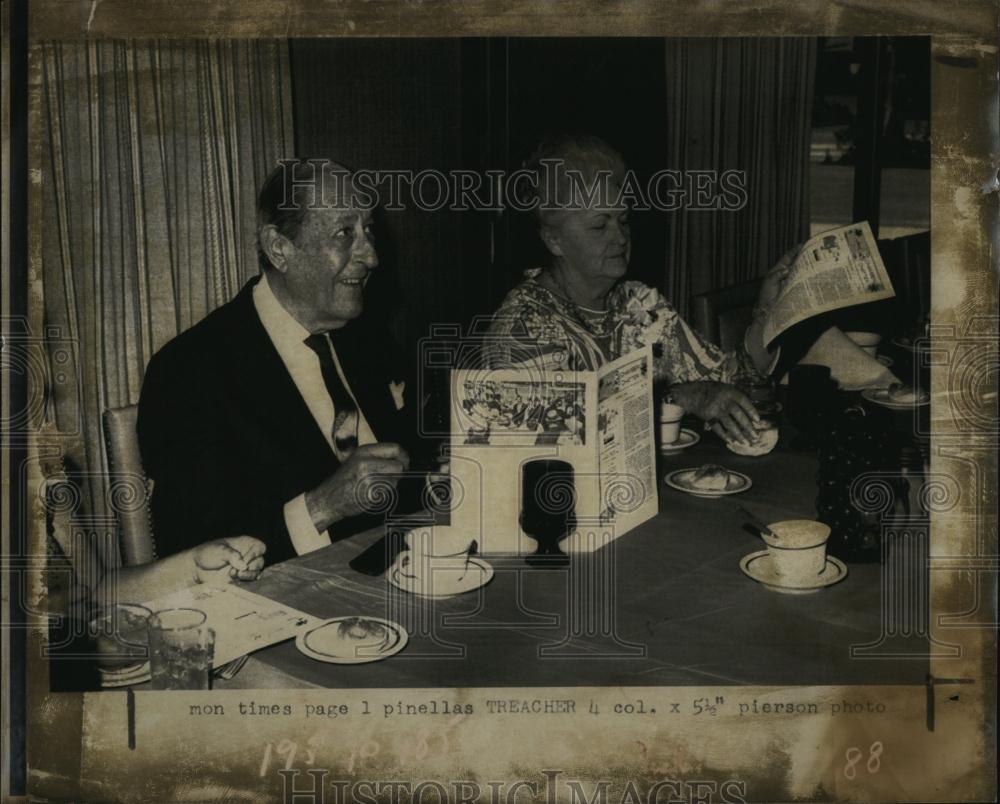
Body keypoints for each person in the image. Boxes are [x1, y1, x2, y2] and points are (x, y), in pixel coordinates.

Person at [485, 134, 890, 445]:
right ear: (554, 240)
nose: (620, 237)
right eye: (599, 225)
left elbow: (729, 379)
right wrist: (680, 395)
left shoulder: (640, 305)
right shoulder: (525, 323)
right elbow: (555, 435)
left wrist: (770, 308)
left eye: (623, 221)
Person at [138, 159, 419, 564]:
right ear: (279, 249)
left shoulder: (367, 339)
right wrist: (322, 506)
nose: (371, 256)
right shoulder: (190, 371)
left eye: (368, 230)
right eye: (344, 233)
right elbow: (192, 548)